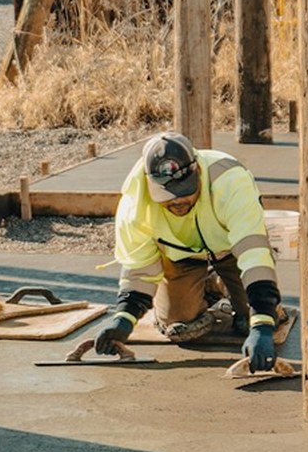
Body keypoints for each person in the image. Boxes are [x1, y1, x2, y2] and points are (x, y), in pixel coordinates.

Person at [92, 132, 284, 372]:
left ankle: (224, 284)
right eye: (167, 195)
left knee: (252, 320)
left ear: (198, 172)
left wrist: (263, 324)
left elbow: (254, 254)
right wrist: (124, 319)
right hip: (181, 258)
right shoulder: (134, 206)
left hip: (230, 251)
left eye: (185, 190)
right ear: (149, 184)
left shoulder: (230, 181)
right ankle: (209, 286)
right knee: (180, 326)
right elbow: (139, 269)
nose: (177, 200)